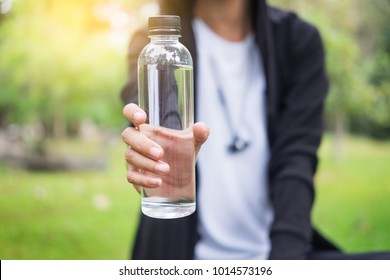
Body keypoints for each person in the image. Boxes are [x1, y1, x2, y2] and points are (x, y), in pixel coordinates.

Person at [120, 0, 390, 260]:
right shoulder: (155, 46)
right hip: (182, 258)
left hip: (281, 251)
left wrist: (282, 264)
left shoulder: (298, 41)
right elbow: (151, 112)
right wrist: (153, 150)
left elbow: (296, 163)